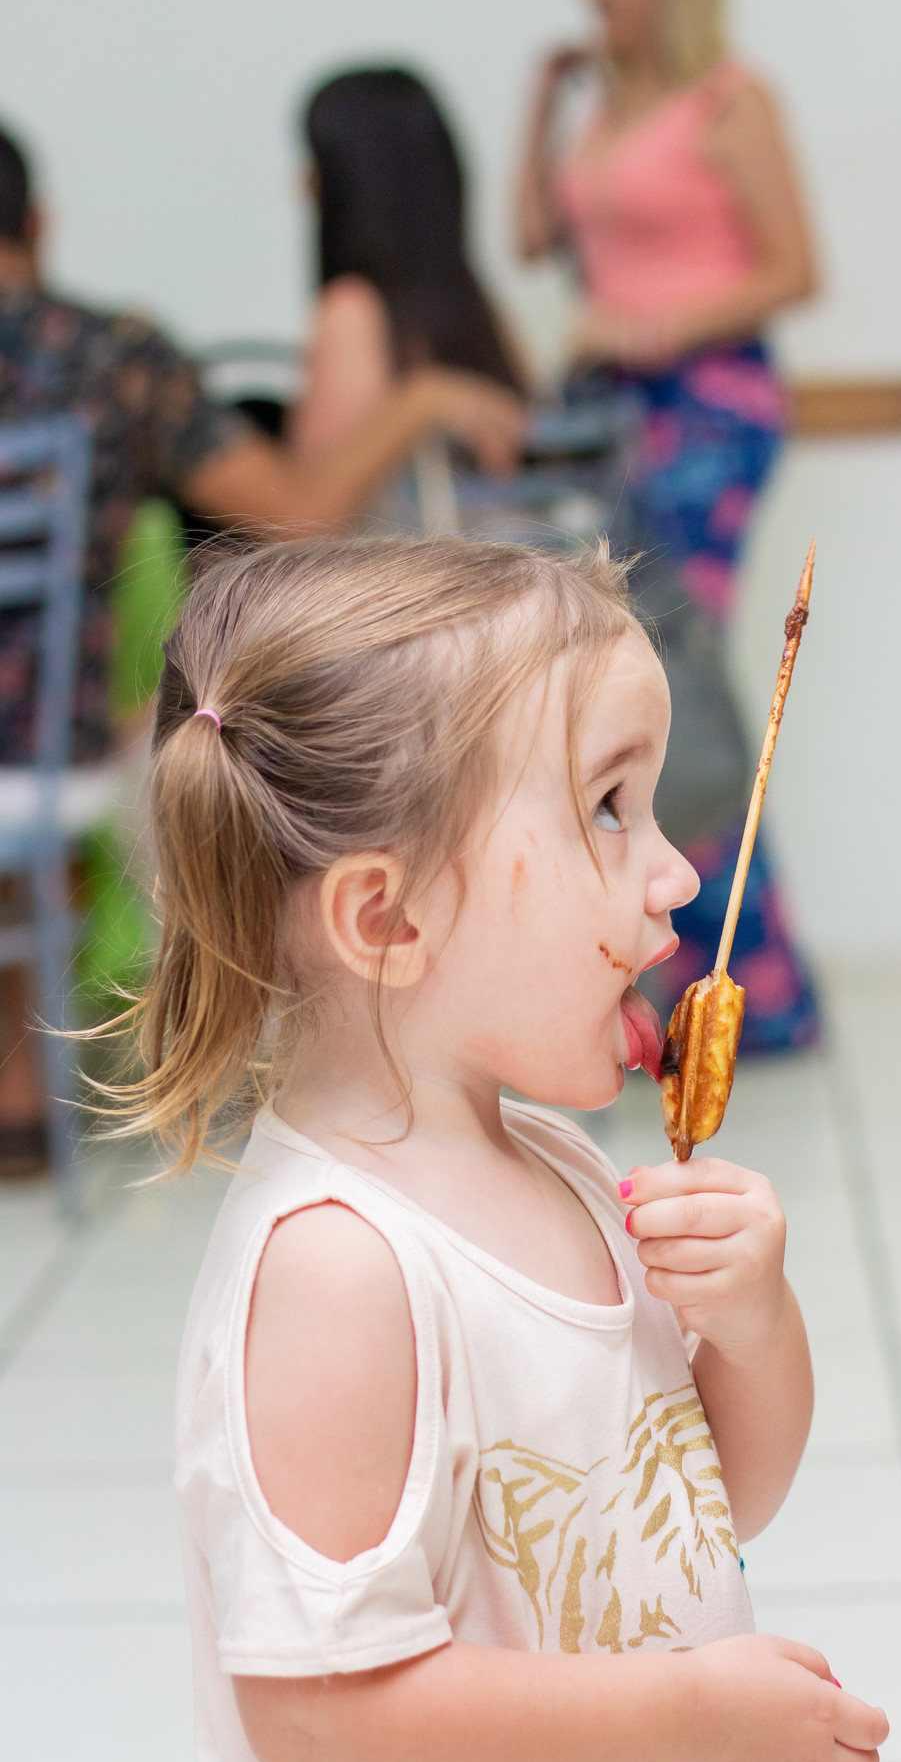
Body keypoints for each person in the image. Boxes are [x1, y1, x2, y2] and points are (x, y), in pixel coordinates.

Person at [99, 533, 888, 1762]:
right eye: (606, 808)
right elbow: (321, 1714)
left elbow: (711, 1504)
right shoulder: (339, 1269)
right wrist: (688, 1717)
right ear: (390, 919)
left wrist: (753, 1327)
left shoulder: (564, 1168)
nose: (679, 872)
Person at [0, 121, 524, 1174]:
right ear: (40, 222)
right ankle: (22, 1090)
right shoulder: (115, 357)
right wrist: (418, 400)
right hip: (37, 768)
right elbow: (297, 521)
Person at [516, 0, 821, 1054]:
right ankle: (737, 987)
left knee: (672, 690)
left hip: (709, 405)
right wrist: (547, 102)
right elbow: (528, 238)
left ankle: (741, 992)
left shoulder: (732, 103)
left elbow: (797, 270)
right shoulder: (603, 114)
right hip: (617, 411)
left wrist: (646, 328)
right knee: (646, 692)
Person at [289, 66, 526, 461]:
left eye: (318, 163)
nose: (301, 185)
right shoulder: (477, 311)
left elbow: (313, 509)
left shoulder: (352, 312)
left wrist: (420, 403)